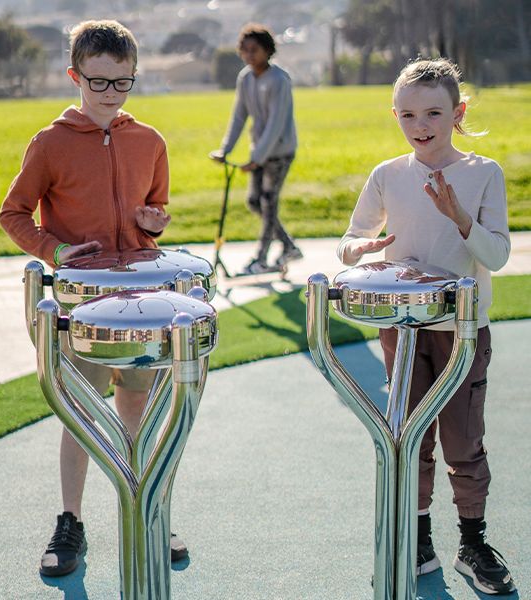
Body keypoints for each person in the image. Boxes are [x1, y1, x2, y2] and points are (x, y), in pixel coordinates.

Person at [0, 19, 188, 577]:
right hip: (81, 308)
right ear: (74, 76)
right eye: (98, 82)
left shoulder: (150, 141)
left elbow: (152, 216)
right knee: (81, 415)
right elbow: (13, 214)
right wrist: (53, 252)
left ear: (134, 77)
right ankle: (70, 522)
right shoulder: (49, 143)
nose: (110, 95)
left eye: (122, 83)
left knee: (138, 409)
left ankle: (149, 504)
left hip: (140, 305)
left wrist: (153, 224)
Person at [337, 58, 515, 595]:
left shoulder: (483, 173)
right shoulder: (388, 175)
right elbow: (349, 243)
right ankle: (417, 539)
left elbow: (499, 255)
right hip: (403, 329)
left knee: (464, 441)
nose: (421, 125)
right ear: (395, 115)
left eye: (434, 112)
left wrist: (460, 216)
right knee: (411, 440)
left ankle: (473, 542)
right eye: (408, 115)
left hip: (461, 332)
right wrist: (362, 250)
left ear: (457, 113)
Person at [211, 23, 303, 274]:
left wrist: (256, 158)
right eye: (245, 49)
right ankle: (289, 246)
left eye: (255, 49)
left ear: (267, 51)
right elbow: (239, 116)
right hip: (260, 152)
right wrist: (225, 149)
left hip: (279, 151)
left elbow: (275, 123)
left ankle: (261, 259)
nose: (249, 55)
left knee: (268, 202)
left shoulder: (279, 80)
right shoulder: (246, 78)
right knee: (254, 202)